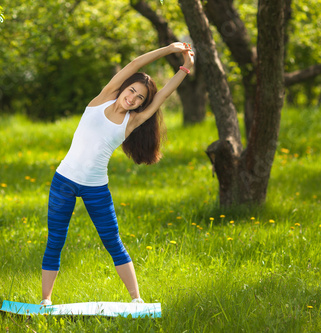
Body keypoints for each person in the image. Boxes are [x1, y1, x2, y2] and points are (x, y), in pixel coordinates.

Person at [40, 43, 195, 305]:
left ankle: (136, 300)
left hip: (96, 188)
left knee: (113, 241)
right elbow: (135, 65)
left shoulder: (133, 121)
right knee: (55, 240)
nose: (132, 98)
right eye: (131, 90)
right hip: (63, 182)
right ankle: (46, 300)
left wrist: (185, 68)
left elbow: (164, 95)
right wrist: (169, 49)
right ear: (123, 87)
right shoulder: (101, 100)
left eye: (139, 98)